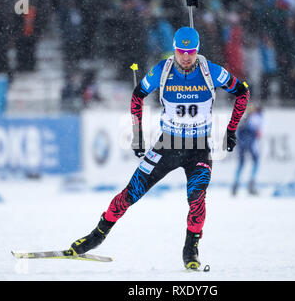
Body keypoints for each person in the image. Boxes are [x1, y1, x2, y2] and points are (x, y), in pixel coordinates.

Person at [68, 27, 250, 270]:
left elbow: (242, 92)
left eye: (191, 52)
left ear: (198, 51)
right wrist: (137, 134)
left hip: (199, 148)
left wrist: (231, 129)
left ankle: (191, 250)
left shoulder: (212, 72)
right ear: (174, 50)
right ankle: (96, 236)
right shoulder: (162, 71)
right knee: (131, 193)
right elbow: (137, 96)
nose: (186, 57)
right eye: (181, 52)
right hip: (167, 144)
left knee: (197, 198)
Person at [231, 105, 263, 196]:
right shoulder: (255, 119)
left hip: (241, 144)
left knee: (241, 164)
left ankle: (235, 185)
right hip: (250, 144)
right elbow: (258, 133)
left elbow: (236, 132)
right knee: (256, 161)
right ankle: (251, 183)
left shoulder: (242, 119)